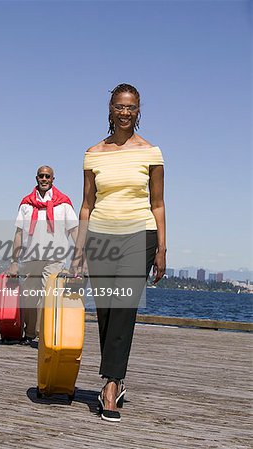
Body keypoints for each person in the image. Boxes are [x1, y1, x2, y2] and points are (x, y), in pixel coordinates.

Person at [71, 83, 166, 422]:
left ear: (138, 111)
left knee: (124, 307)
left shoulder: (151, 152)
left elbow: (157, 203)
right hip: (100, 237)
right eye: (120, 106)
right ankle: (118, 377)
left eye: (131, 107)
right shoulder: (93, 153)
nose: (125, 112)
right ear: (110, 109)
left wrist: (162, 248)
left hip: (140, 235)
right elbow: (86, 205)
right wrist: (78, 251)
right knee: (108, 310)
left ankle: (110, 386)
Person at [7, 165, 78, 345]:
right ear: (36, 178)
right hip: (30, 258)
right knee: (30, 297)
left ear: (53, 179)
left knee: (48, 297)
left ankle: (45, 334)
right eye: (41, 176)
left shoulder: (64, 203)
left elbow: (75, 231)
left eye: (47, 176)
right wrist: (14, 261)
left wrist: (79, 259)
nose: (44, 179)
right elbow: (18, 234)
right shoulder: (26, 204)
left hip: (54, 259)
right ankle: (29, 334)